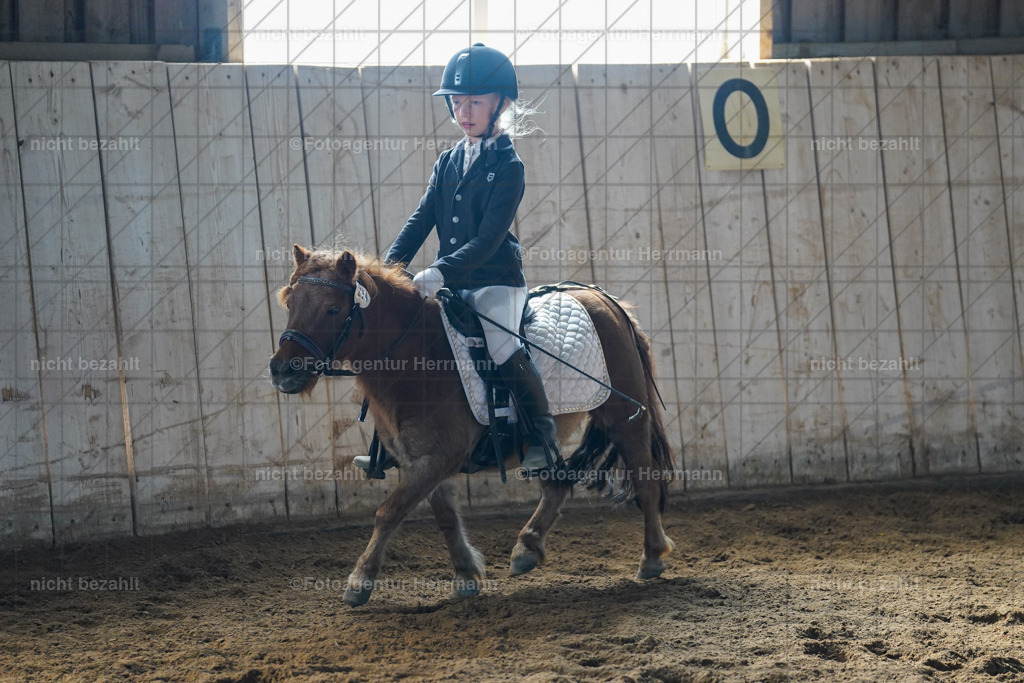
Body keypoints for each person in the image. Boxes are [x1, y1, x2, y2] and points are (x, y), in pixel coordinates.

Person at [384, 43, 557, 475]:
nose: (464, 111)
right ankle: (386, 444)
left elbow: (486, 240)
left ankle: (542, 435)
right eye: (457, 102)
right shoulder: (448, 162)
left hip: (496, 281)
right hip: (454, 283)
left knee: (503, 346)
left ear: (501, 104)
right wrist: (386, 270)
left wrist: (438, 270)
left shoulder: (509, 167)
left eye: (475, 101)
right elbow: (421, 219)